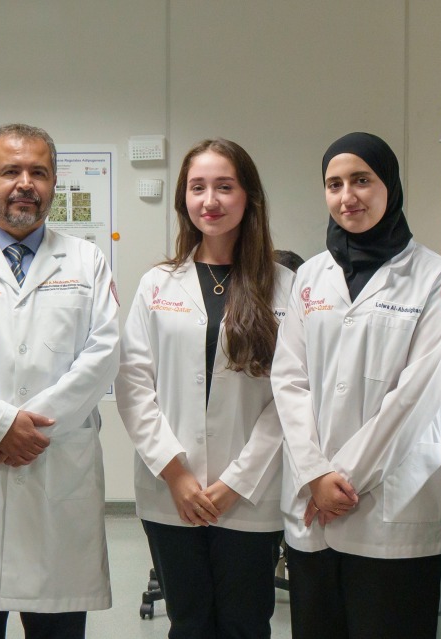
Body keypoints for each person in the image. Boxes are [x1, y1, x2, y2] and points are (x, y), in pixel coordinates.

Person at [0, 123, 120, 639]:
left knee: (58, 626)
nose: (25, 183)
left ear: (54, 183)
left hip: (57, 466)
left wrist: (33, 430)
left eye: (39, 172)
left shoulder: (86, 261)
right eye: (11, 171)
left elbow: (103, 352)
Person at [272, 132, 441, 639]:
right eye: (333, 184)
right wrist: (315, 472)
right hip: (314, 508)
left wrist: (345, 479)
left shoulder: (435, 280)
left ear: (390, 186)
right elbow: (289, 379)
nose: (347, 196)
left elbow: (417, 397)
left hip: (389, 512)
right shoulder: (310, 277)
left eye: (362, 180)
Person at [116, 138, 291, 639]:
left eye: (224, 187)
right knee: (188, 622)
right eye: (197, 188)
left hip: (251, 494)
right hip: (172, 491)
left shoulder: (285, 286)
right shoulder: (157, 284)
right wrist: (176, 474)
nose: (210, 200)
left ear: (248, 197)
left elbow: (289, 396)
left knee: (245, 624)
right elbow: (132, 385)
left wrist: (238, 480)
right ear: (183, 200)